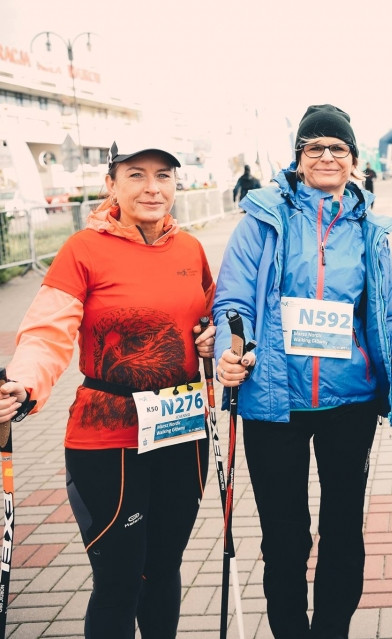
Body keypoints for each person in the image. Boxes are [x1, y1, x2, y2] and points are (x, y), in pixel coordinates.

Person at [213, 103, 392, 639]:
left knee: (344, 531)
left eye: (338, 148)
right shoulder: (261, 221)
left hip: (349, 404)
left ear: (355, 160)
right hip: (274, 402)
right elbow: (233, 300)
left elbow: (384, 314)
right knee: (284, 537)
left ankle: (332, 630)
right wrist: (230, 349)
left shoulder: (370, 231)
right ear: (297, 158)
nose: (326, 156)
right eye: (314, 146)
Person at [0, 139, 215, 638]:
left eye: (163, 175)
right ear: (111, 184)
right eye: (136, 174)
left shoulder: (190, 248)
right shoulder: (83, 249)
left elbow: (214, 316)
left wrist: (213, 339)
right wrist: (23, 385)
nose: (152, 187)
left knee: (162, 572)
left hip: (181, 430)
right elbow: (47, 330)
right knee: (119, 580)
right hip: (108, 436)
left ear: (177, 185)